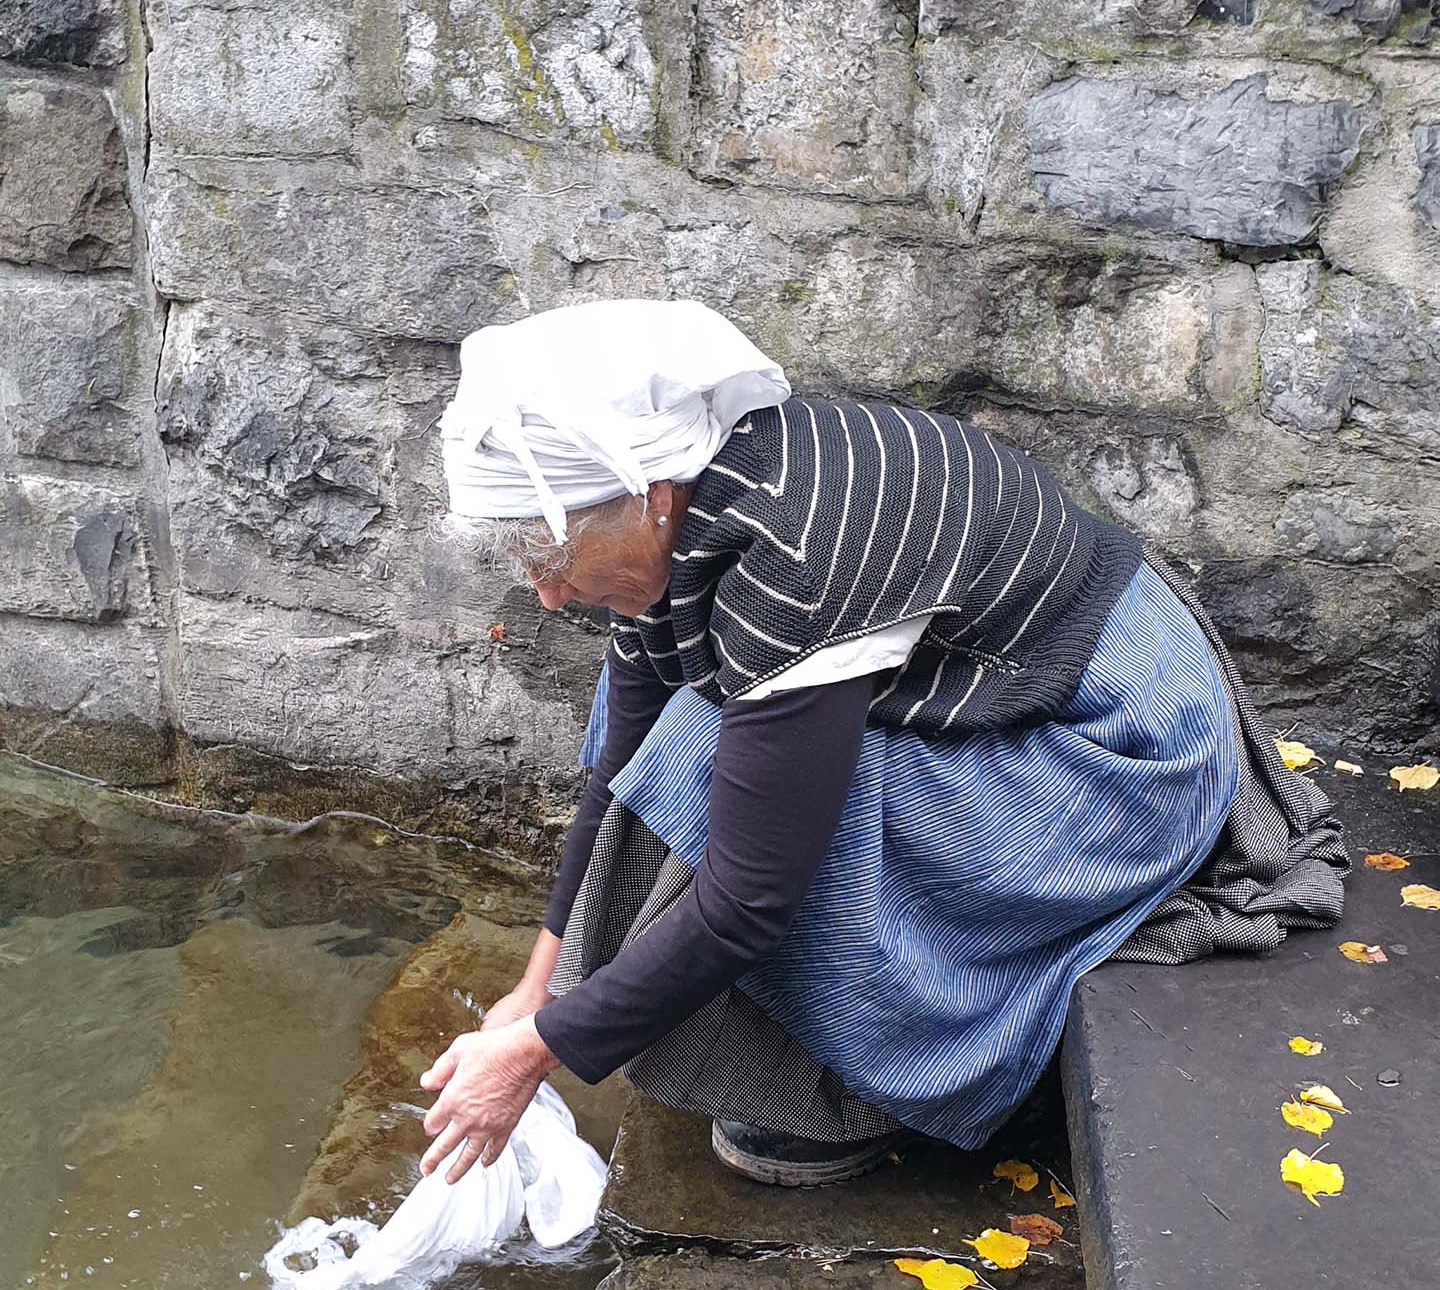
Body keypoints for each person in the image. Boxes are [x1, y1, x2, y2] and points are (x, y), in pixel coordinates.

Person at [418, 298, 1347, 1189]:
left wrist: (542, 1052)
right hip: (1029, 681)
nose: (545, 598)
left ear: (651, 497)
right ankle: (784, 1034)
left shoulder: (792, 557)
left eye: (550, 563)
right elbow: (613, 760)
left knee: (707, 762)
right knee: (692, 743)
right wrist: (538, 986)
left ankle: (850, 1091)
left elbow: (749, 900)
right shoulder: (692, 505)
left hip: (1117, 751)